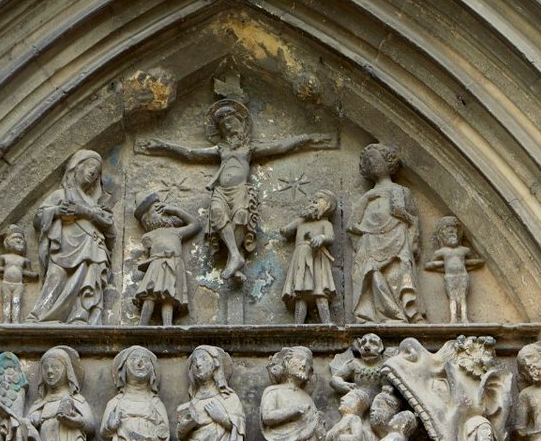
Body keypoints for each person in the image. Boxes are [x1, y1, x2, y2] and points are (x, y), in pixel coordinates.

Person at [137, 93, 331, 280]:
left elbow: (280, 147)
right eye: (223, 125)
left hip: (240, 191)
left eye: (231, 122)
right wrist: (162, 145)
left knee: (240, 217)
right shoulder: (221, 149)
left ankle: (234, 258)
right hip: (221, 191)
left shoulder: (249, 148)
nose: (228, 127)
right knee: (217, 213)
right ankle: (235, 256)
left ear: (242, 123)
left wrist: (306, 139)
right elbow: (190, 153)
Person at [26, 149, 113, 324]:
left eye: (96, 171)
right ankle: (40, 315)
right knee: (56, 276)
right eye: (89, 166)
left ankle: (80, 316)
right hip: (65, 245)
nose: (93, 172)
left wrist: (85, 212)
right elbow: (38, 217)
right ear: (76, 168)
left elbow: (109, 225)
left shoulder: (94, 203)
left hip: (92, 246)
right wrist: (57, 211)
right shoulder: (60, 195)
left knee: (89, 281)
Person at [350, 143, 420, 323]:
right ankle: (373, 314)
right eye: (367, 161)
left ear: (388, 161)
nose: (370, 163)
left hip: (397, 237)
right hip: (371, 240)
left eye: (374, 159)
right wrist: (366, 199)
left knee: (396, 274)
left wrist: (410, 229)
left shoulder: (400, 191)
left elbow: (412, 217)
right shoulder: (366, 197)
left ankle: (403, 313)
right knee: (369, 272)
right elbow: (353, 224)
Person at [132, 192, 200, 325]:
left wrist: (175, 210)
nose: (163, 211)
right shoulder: (149, 235)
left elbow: (195, 225)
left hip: (173, 265)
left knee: (169, 297)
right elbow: (147, 251)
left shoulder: (176, 231)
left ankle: (167, 326)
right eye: (157, 208)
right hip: (157, 264)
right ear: (148, 218)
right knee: (149, 294)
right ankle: (142, 325)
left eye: (163, 208)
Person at [280, 190, 337, 324]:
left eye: (319, 199)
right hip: (300, 257)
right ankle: (298, 324)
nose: (313, 201)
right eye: (313, 199)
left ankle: (326, 323)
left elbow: (330, 238)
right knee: (300, 293)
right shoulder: (301, 221)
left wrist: (321, 238)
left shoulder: (325, 223)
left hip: (317, 257)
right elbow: (286, 231)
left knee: (320, 291)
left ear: (327, 206)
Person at [424, 215, 484, 323]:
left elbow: (479, 261)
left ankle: (465, 318)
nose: (453, 234)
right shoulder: (441, 252)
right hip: (449, 277)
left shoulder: (464, 250)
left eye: (454, 232)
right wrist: (444, 266)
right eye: (449, 232)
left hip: (463, 276)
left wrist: (464, 264)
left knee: (462, 298)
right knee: (452, 298)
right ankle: (453, 318)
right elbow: (428, 265)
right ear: (442, 236)